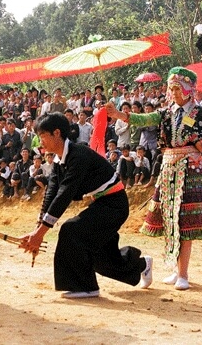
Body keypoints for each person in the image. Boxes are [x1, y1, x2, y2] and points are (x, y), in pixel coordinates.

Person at [106, 66, 202, 290]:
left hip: (190, 168)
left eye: (178, 88)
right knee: (170, 218)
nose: (174, 93)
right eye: (172, 89)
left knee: (185, 219)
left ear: (189, 89)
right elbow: (145, 119)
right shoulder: (167, 112)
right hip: (169, 167)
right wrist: (119, 115)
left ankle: (184, 273)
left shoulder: (201, 114)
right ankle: (173, 268)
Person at [19, 112, 153, 298]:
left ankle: (84, 286)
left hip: (114, 205)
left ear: (56, 133)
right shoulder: (59, 160)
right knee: (99, 257)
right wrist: (38, 227)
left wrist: (40, 233)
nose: (40, 142)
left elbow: (64, 194)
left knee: (71, 231)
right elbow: (52, 192)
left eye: (42, 136)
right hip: (101, 204)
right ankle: (141, 265)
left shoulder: (78, 156)